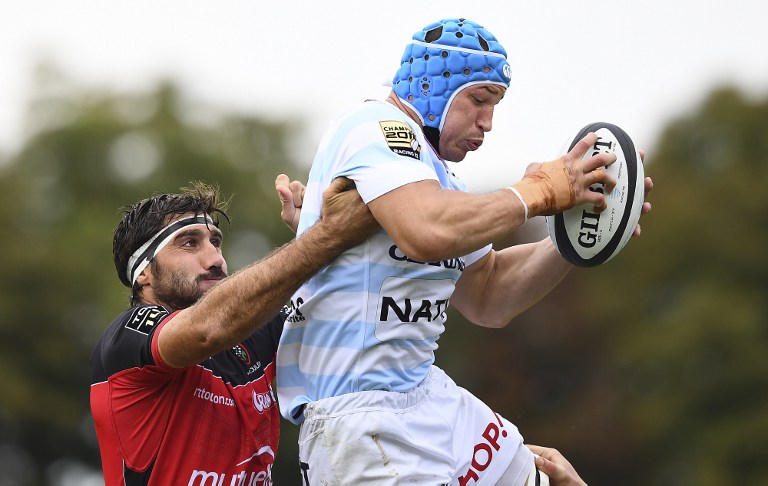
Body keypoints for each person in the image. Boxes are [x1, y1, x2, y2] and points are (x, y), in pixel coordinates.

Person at [275, 17, 653, 485]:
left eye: (495, 105)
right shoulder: (378, 128)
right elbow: (425, 231)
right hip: (361, 415)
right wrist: (538, 190)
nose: (488, 123)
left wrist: (572, 237)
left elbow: (488, 295)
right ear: (431, 85)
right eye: (479, 99)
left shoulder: (440, 177)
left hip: (425, 395)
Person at [89, 178, 377, 485]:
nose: (215, 259)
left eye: (215, 242)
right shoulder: (127, 337)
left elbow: (353, 313)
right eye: (189, 243)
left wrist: (312, 228)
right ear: (144, 272)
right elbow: (206, 329)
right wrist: (324, 236)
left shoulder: (249, 331)